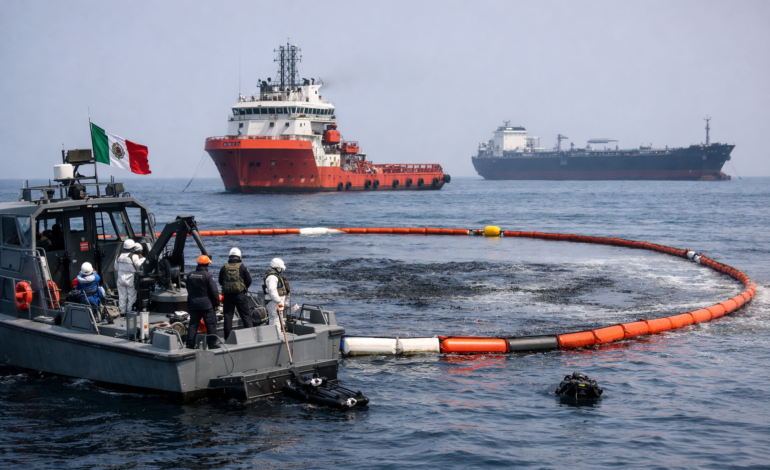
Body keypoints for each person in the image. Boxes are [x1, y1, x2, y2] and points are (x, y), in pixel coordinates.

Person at [185, 255, 221, 349]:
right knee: (211, 324)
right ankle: (212, 344)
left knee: (193, 324)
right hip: (206, 305)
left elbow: (188, 288)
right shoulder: (208, 276)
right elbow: (214, 291)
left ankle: (190, 344)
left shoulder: (190, 275)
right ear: (207, 265)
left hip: (193, 304)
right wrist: (217, 304)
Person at [218, 247, 253, 340]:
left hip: (228, 296)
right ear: (239, 257)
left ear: (230, 256)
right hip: (240, 295)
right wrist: (243, 288)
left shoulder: (224, 268)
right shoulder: (242, 267)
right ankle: (250, 337)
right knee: (246, 316)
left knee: (228, 317)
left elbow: (220, 281)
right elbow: (249, 281)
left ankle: (227, 339)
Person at [262, 258, 290, 335]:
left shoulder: (277, 276)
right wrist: (278, 300)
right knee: (274, 319)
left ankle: (280, 331)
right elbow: (272, 290)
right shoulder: (272, 277)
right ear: (277, 267)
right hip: (274, 302)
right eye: (280, 268)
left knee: (280, 315)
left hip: (278, 302)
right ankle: (275, 334)